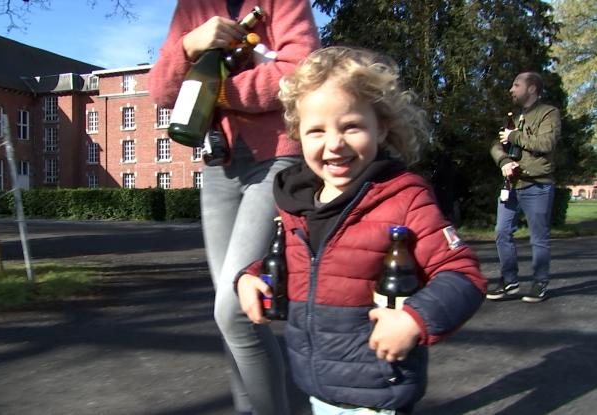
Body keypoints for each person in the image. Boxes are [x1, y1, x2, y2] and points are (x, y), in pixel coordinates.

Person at [236, 46, 487, 414]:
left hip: (378, 389)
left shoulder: (403, 198)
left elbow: (463, 276)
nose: (334, 144)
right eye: (316, 131)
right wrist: (249, 277)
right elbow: (293, 262)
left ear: (381, 126)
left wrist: (414, 318)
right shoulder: (298, 202)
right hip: (317, 385)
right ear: (298, 135)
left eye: (351, 126)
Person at [148, 1, 319, 414]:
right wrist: (189, 44)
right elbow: (161, 91)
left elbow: (302, 72)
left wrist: (220, 91)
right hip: (218, 166)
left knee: (234, 312)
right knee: (232, 316)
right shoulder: (192, 7)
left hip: (277, 157)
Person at [487, 71, 562, 303]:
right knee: (501, 231)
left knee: (538, 238)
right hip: (511, 184)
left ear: (531, 89)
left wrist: (515, 136)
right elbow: (496, 145)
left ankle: (540, 282)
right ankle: (509, 280)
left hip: (537, 185)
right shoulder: (513, 117)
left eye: (516, 84)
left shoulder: (549, 113)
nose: (511, 89)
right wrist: (504, 161)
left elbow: (546, 143)